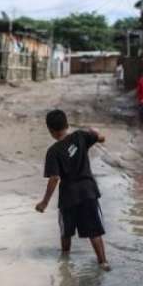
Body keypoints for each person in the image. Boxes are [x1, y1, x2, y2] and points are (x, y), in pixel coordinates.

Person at [35, 110, 111, 271]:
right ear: (67, 124)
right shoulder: (80, 136)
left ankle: (65, 263)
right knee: (94, 231)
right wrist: (95, 133)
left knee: (66, 231)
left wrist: (44, 202)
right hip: (88, 192)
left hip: (69, 195)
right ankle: (103, 262)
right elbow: (101, 138)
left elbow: (54, 178)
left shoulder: (53, 151)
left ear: (50, 130)